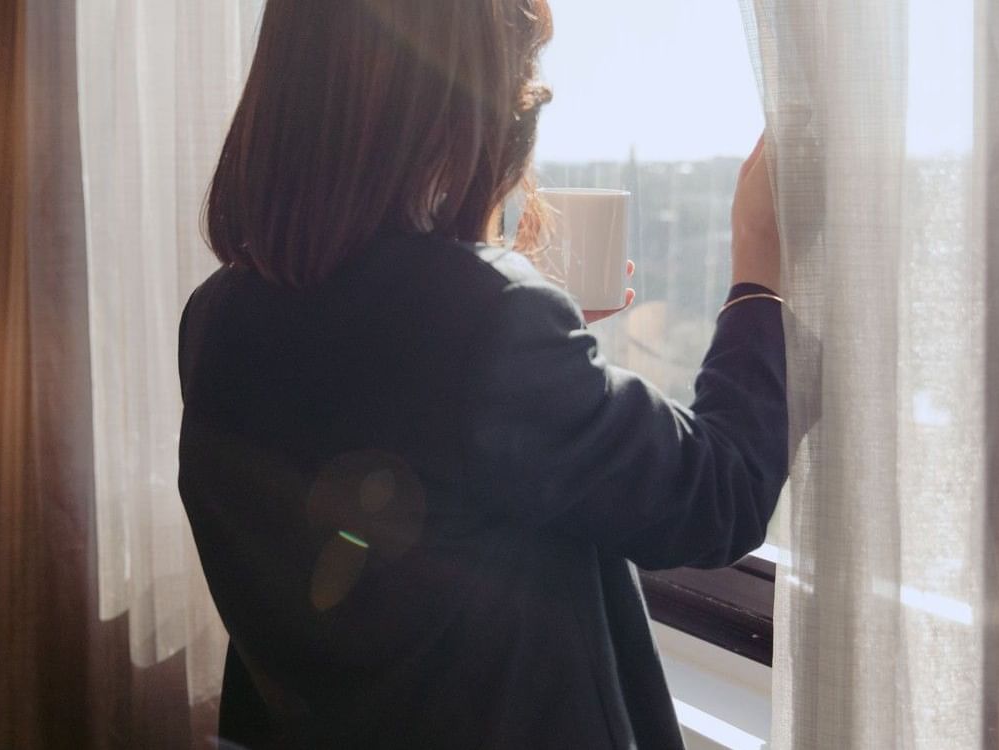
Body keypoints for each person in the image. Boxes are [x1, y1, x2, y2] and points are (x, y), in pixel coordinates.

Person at [177, 0, 788, 746]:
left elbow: (383, 440)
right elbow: (716, 496)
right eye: (523, 72)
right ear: (455, 97)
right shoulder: (486, 324)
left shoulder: (215, 319)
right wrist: (759, 269)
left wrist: (535, 371)